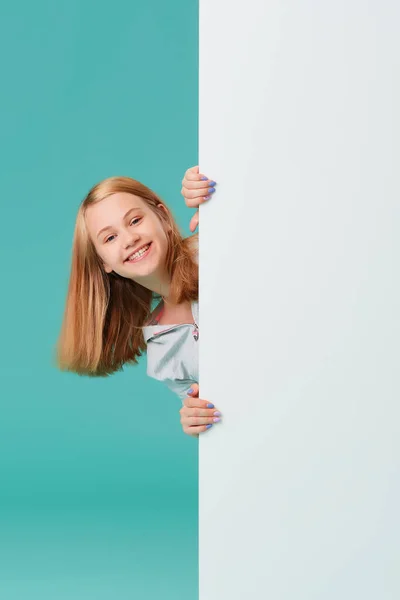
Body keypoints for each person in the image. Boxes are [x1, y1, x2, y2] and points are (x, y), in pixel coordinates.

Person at [56, 166, 221, 437]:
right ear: (103, 263)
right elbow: (213, 412)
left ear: (163, 217)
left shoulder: (213, 251)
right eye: (110, 238)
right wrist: (195, 420)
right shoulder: (162, 344)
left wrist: (216, 186)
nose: (130, 239)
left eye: (134, 221)